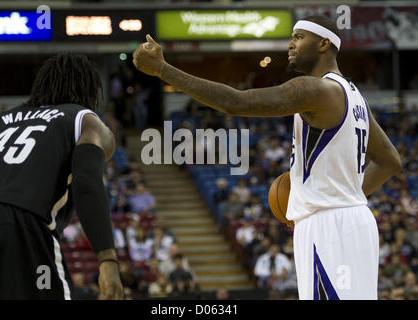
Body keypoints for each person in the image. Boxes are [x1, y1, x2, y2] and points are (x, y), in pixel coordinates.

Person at [133, 15, 402, 300]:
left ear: (324, 43)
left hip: (329, 228)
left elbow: (235, 102)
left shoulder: (315, 89)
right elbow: (390, 161)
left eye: (299, 37)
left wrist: (163, 70)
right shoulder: (355, 96)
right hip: (356, 222)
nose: (290, 44)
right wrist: (338, 194)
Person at [0, 53, 123, 299]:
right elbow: (86, 183)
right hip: (20, 223)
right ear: (89, 90)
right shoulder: (83, 119)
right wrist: (107, 258)